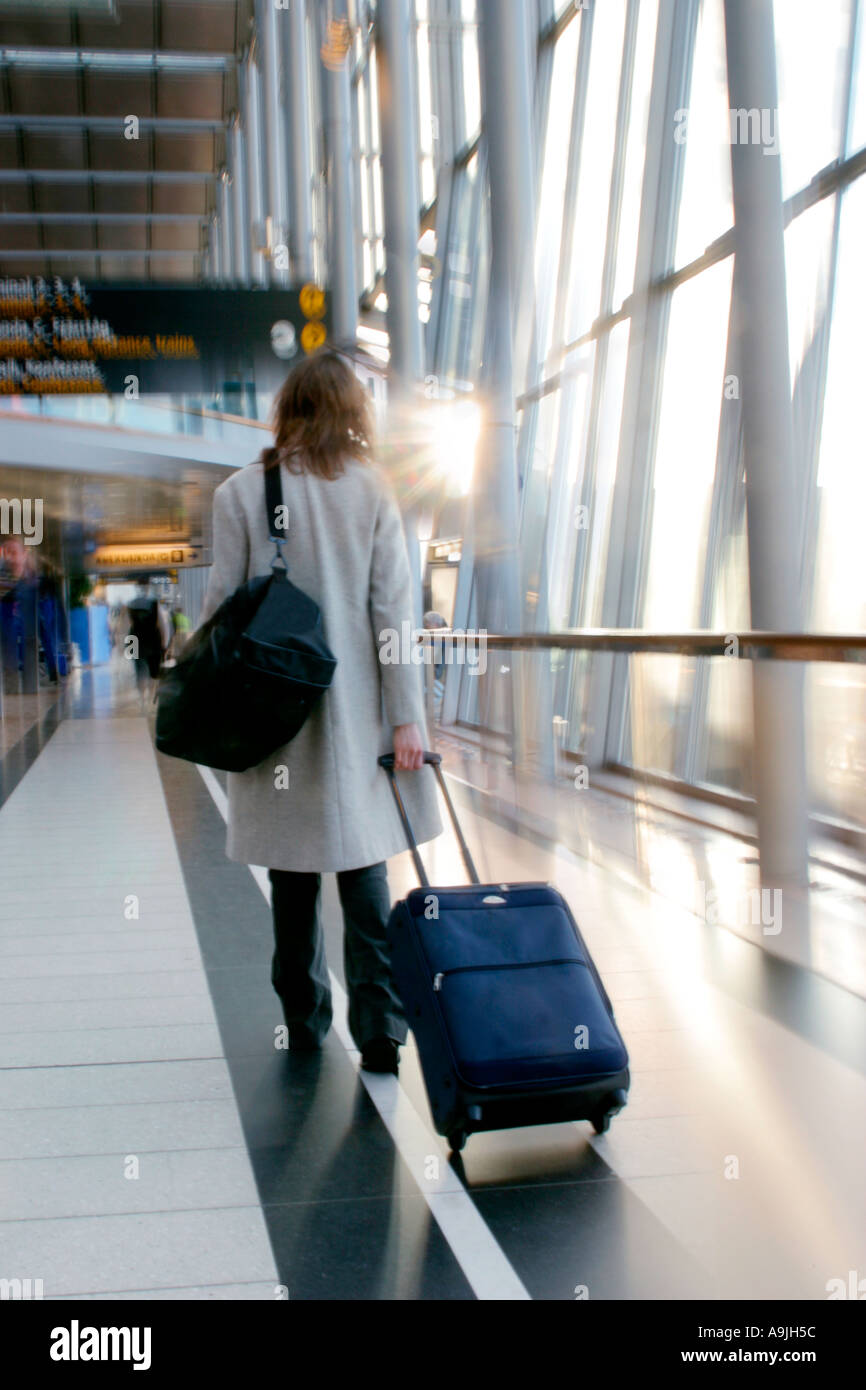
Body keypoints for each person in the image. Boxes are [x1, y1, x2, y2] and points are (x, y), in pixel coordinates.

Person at [199, 349, 442, 1075]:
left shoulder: (243, 493)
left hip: (277, 721)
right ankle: (381, 1030)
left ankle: (303, 1022)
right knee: (365, 870)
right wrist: (406, 718)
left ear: (289, 410)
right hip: (357, 719)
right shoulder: (372, 492)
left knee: (293, 876)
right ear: (352, 414)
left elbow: (219, 615)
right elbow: (393, 614)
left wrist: (207, 709)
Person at [125, 578, 163, 707]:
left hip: (135, 639)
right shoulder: (155, 603)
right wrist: (165, 644)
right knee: (154, 672)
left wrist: (127, 648)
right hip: (153, 640)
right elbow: (161, 625)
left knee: (139, 670)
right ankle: (150, 697)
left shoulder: (130, 604)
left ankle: (142, 698)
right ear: (148, 587)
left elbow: (126, 626)